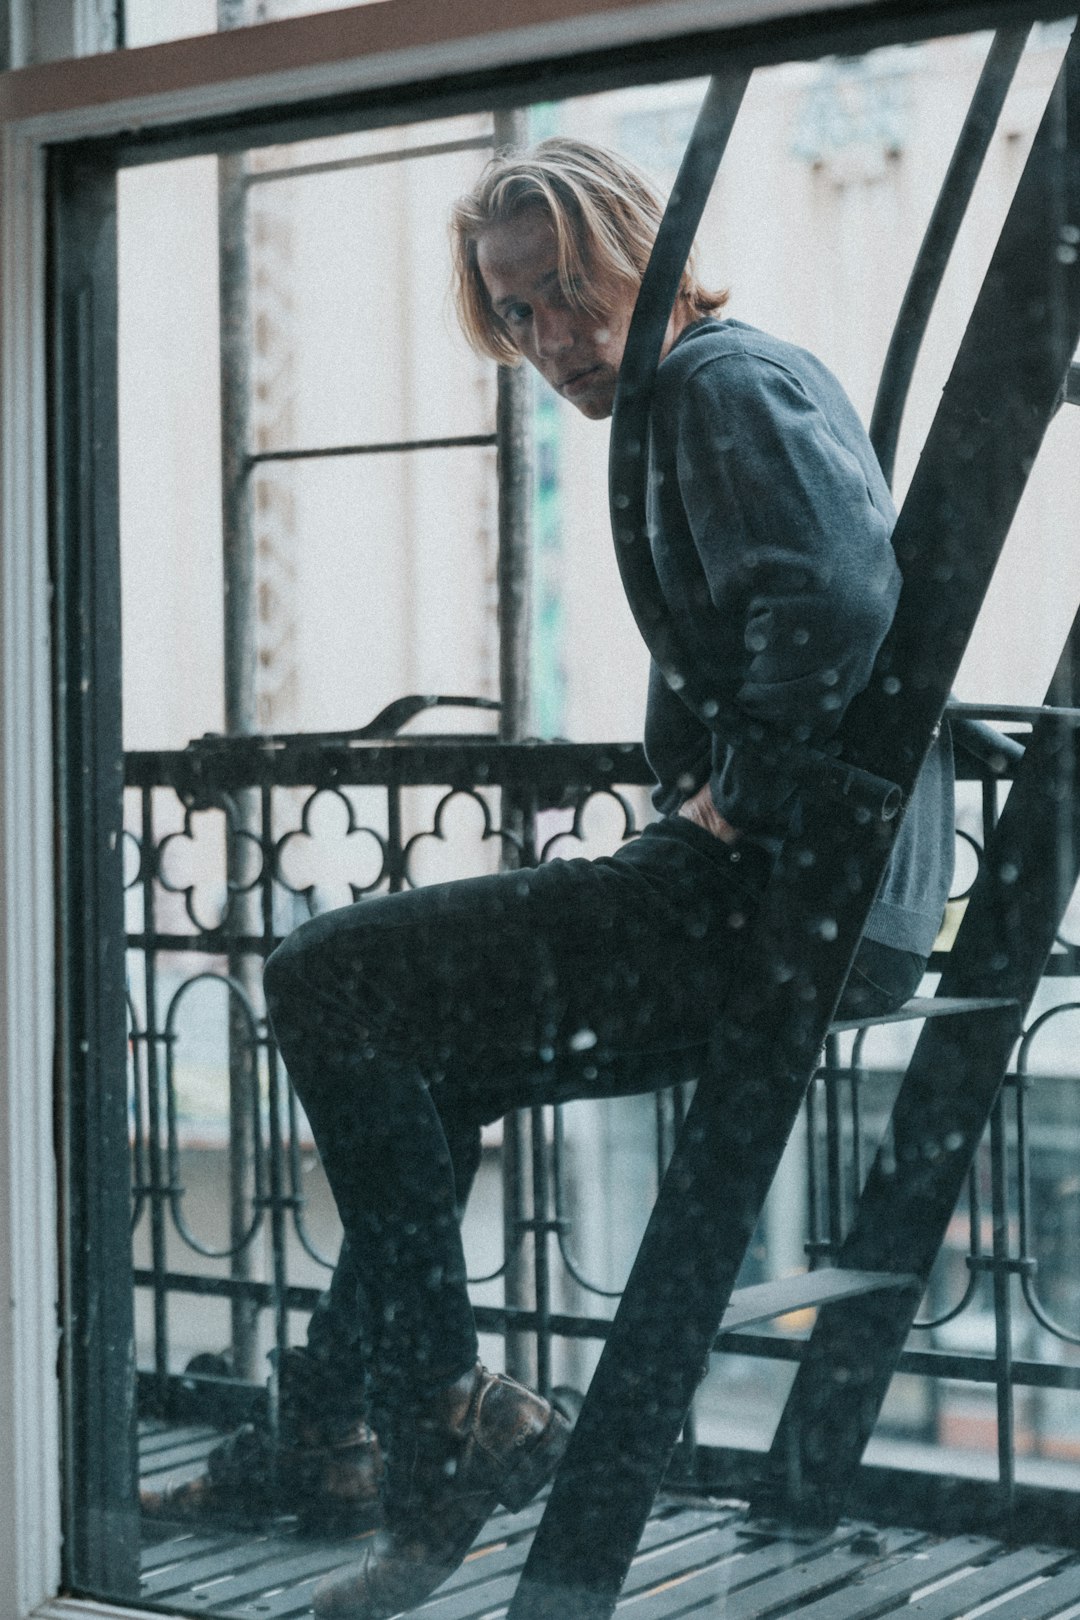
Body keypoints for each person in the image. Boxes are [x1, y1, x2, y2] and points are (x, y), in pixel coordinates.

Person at [142, 139, 955, 1619]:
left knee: (331, 972)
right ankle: (333, 1428)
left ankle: (444, 1414)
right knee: (423, 1066)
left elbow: (834, 603)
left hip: (768, 895)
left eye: (571, 294)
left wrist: (734, 799)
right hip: (815, 897)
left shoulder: (715, 386)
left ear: (642, 257)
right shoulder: (723, 386)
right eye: (517, 313)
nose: (550, 340)